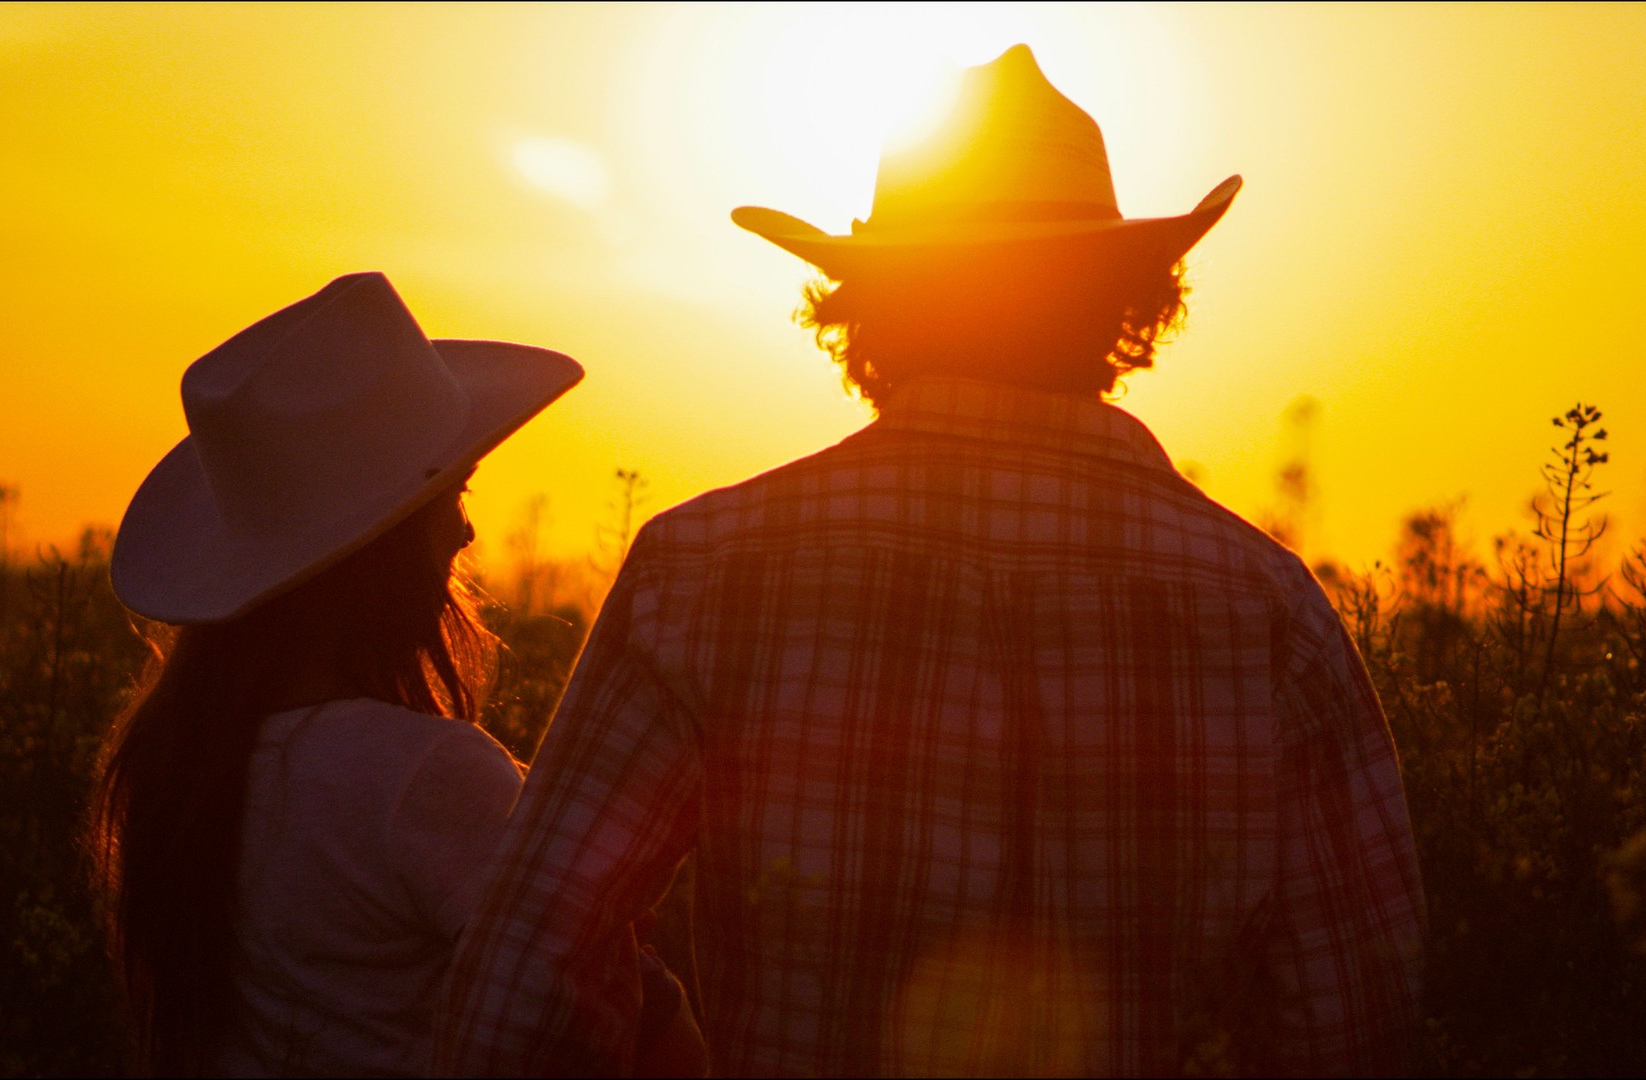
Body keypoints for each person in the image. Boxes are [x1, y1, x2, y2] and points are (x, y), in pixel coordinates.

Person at [438, 45, 1425, 1077]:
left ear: (872, 307)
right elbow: (1353, 1021)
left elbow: (525, 981)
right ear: (1125, 302)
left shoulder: (707, 571)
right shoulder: (1265, 611)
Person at [86, 272, 609, 1075]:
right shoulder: (425, 776)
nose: (466, 529)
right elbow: (585, 1020)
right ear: (382, 548)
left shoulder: (181, 766)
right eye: (452, 491)